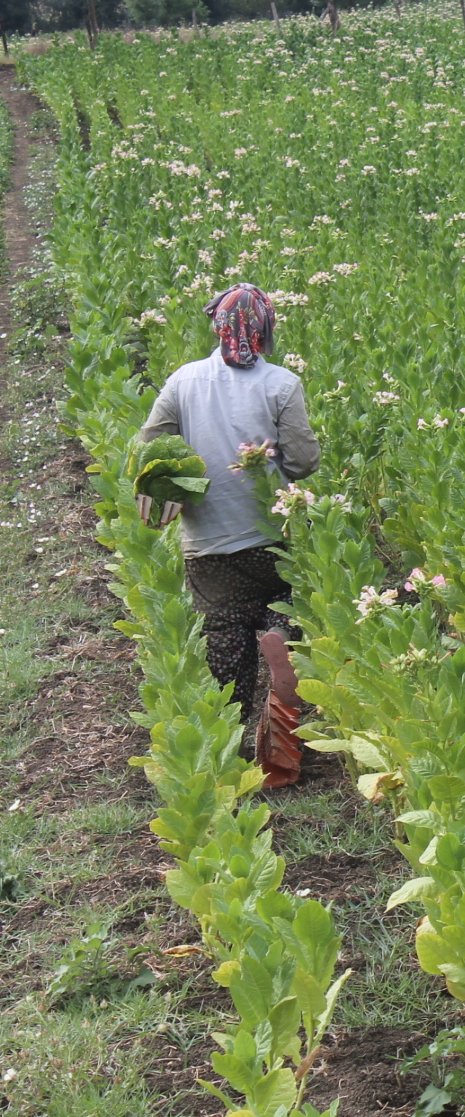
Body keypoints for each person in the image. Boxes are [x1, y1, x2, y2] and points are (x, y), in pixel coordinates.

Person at [136, 283, 319, 781]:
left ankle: (232, 750)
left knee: (225, 643)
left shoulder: (183, 381)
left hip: (208, 545)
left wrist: (173, 483)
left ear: (217, 327)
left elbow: (151, 444)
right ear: (266, 330)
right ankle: (281, 637)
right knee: (290, 604)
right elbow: (303, 461)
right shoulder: (281, 383)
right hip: (273, 534)